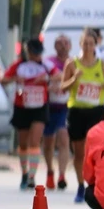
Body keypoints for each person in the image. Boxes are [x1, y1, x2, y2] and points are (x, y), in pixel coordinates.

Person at [60, 28, 104, 203]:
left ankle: (95, 185)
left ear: (96, 45)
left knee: (97, 151)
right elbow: (63, 87)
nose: (87, 46)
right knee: (79, 153)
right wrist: (74, 79)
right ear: (80, 44)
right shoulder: (72, 64)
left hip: (95, 111)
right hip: (77, 111)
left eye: (91, 43)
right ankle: (80, 186)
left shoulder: (103, 65)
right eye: (85, 43)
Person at [1, 39, 59, 189]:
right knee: (23, 143)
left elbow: (60, 75)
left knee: (35, 141)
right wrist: (15, 78)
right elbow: (3, 79)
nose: (35, 57)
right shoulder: (19, 65)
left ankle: (32, 176)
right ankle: (24, 173)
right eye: (33, 54)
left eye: (37, 54)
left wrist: (47, 78)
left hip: (39, 106)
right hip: (22, 105)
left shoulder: (45, 65)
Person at [43, 34, 72, 190]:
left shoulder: (73, 63)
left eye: (65, 43)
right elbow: (41, 81)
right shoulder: (48, 62)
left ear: (70, 46)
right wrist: (50, 86)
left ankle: (62, 175)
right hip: (50, 106)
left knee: (64, 138)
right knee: (48, 142)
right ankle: (49, 171)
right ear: (54, 46)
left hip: (65, 107)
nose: (63, 46)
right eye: (59, 43)